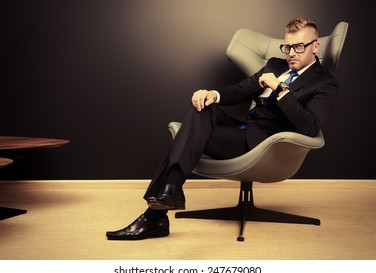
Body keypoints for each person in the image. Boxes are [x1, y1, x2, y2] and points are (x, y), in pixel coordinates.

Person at [106, 17, 339, 240]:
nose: (290, 53)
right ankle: (168, 194)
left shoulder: (324, 82)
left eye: (298, 47)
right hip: (244, 125)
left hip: (263, 144)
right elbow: (240, 90)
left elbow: (310, 125)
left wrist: (281, 90)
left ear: (315, 45)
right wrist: (212, 94)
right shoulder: (275, 65)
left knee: (190, 135)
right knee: (202, 106)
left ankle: (156, 213)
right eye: (286, 47)